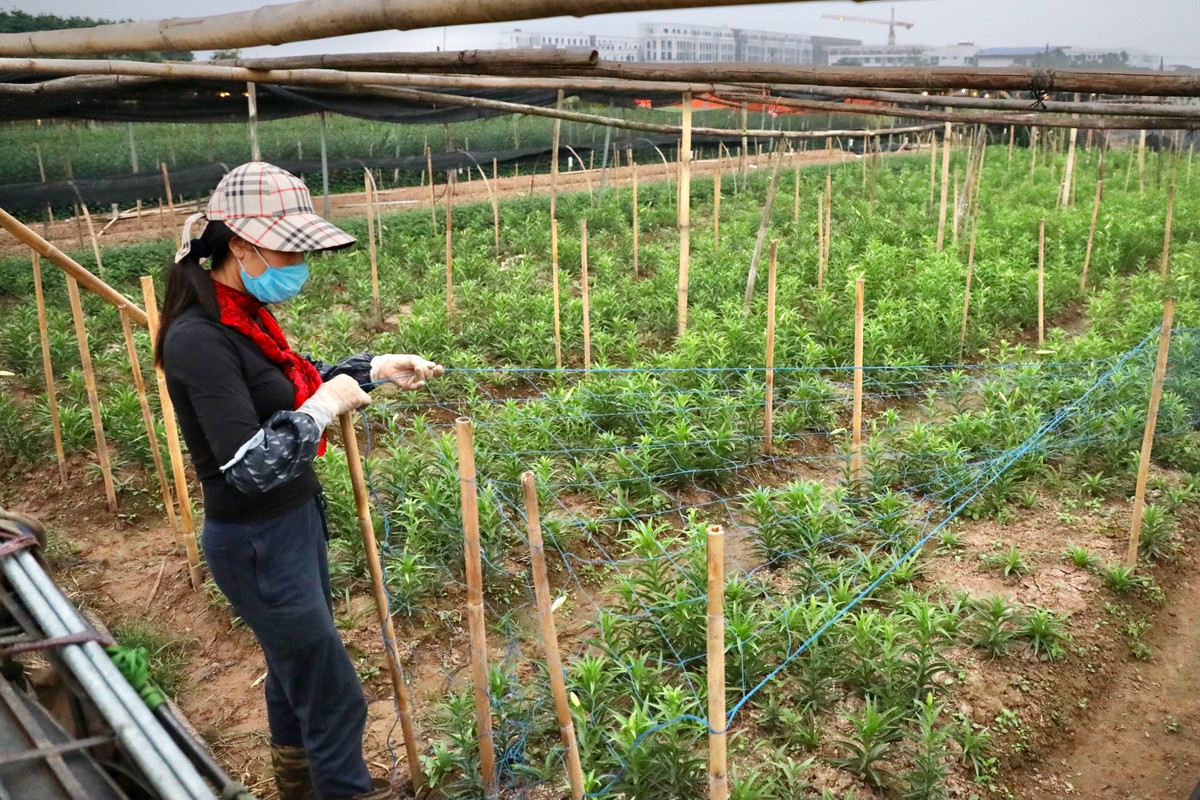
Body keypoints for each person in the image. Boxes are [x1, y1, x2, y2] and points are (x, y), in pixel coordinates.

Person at [156, 162, 441, 800]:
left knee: (296, 670)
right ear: (241, 246)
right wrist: (325, 406)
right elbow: (250, 467)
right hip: (255, 542)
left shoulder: (242, 313)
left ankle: (297, 782)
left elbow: (290, 383)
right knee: (334, 693)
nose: (299, 262)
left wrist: (372, 368)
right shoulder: (197, 339)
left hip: (293, 524)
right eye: (288, 247)